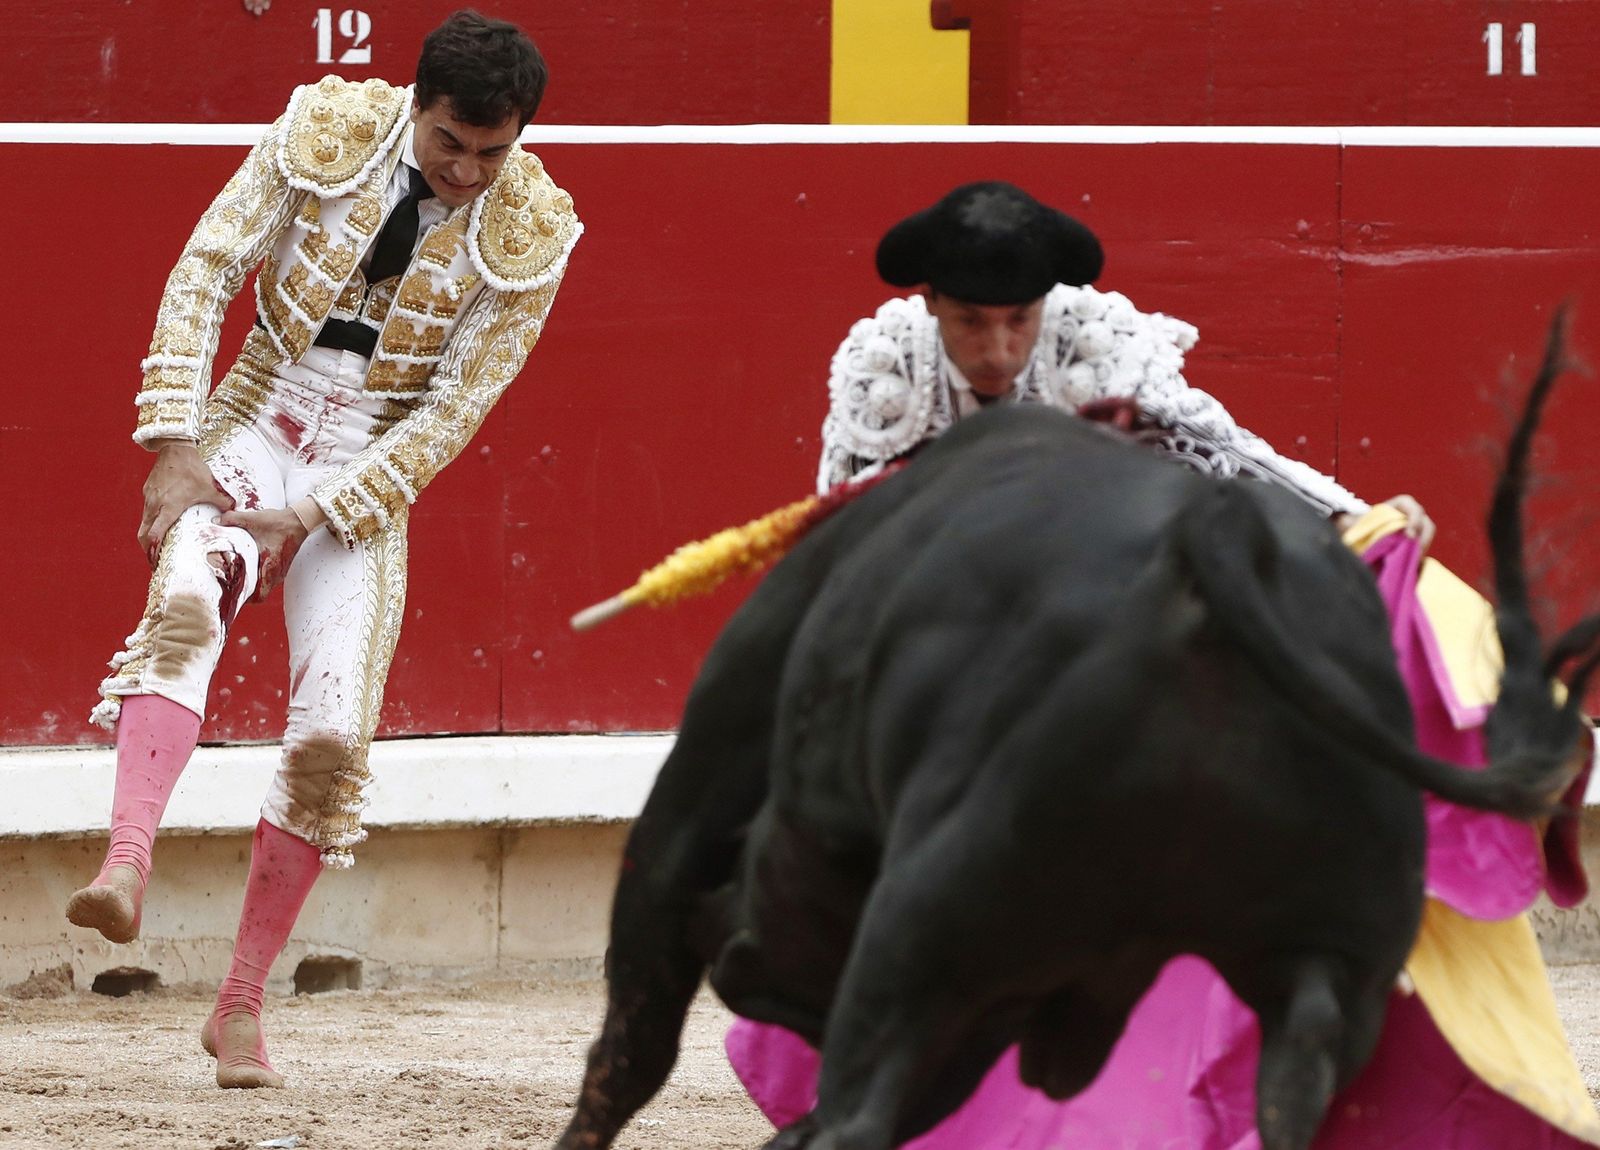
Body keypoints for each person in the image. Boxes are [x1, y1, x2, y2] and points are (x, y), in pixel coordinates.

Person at [728, 182, 1599, 1146]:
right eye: (973, 322)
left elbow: (1221, 455)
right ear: (933, 309)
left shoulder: (1099, 347)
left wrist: (1346, 519)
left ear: (1047, 308)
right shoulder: (887, 369)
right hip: (966, 646)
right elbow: (847, 537)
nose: (997, 348)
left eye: (1018, 320)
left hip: (1110, 627)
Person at [65, 9, 581, 1089]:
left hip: (363, 466)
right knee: (189, 597)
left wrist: (315, 514)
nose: (470, 171)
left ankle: (242, 1004)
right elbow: (209, 268)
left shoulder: (533, 227)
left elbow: (452, 413)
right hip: (256, 413)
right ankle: (125, 860)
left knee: (332, 736)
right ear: (415, 106)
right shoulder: (324, 130)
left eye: (496, 151)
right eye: (451, 143)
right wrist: (171, 444)